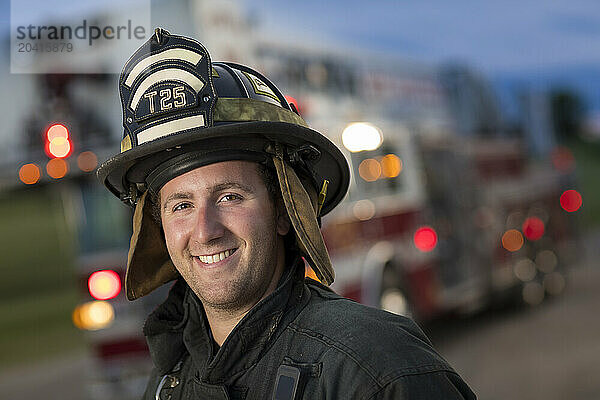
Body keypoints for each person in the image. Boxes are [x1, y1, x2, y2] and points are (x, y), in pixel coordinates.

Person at [98, 28, 476, 399]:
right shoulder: (170, 382)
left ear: (284, 210)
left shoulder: (375, 371)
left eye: (230, 197)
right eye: (181, 205)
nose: (205, 230)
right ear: (160, 227)